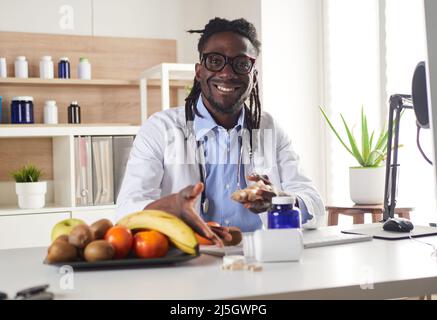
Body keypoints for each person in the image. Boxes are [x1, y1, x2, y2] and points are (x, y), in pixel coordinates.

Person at [116, 17, 325, 245]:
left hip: (261, 259)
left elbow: (314, 204)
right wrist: (171, 207)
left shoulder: (269, 129)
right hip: (189, 264)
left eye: (241, 63)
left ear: (254, 76)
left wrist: (281, 201)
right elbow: (126, 212)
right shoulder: (160, 129)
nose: (227, 73)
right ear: (199, 72)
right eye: (215, 61)